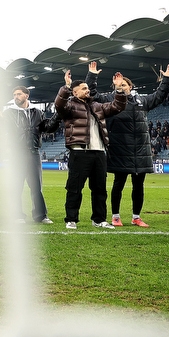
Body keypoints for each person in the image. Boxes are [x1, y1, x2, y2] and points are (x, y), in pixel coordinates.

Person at [88, 63, 169, 228]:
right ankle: (115, 216)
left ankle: (136, 217)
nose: (122, 87)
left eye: (124, 84)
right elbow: (92, 94)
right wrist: (92, 75)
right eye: (119, 85)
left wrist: (167, 79)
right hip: (120, 149)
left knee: (138, 185)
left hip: (141, 150)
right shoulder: (109, 100)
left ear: (130, 86)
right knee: (118, 184)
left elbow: (160, 95)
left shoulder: (142, 101)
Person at [54, 68, 127, 230]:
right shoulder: (70, 106)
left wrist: (119, 89)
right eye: (83, 88)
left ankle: (99, 219)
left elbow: (117, 107)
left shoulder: (97, 106)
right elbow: (59, 105)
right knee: (74, 188)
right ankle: (71, 219)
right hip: (79, 152)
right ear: (75, 92)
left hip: (99, 152)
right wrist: (66, 87)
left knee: (100, 189)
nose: (87, 90)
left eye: (88, 88)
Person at [0, 85, 60, 224]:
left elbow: (47, 128)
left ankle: (41, 216)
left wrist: (57, 116)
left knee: (36, 186)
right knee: (16, 185)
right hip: (16, 153)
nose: (16, 97)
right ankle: (17, 215)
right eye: (14, 95)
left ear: (26, 95)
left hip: (33, 152)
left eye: (18, 94)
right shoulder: (9, 113)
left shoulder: (37, 112)